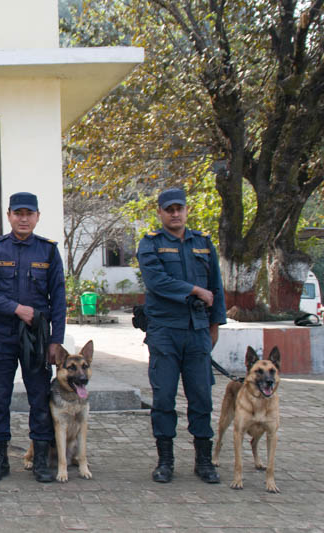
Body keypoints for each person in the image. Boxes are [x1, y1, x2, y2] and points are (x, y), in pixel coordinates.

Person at [136, 187, 226, 484]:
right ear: (160, 212)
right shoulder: (151, 244)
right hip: (164, 331)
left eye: (179, 208)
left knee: (201, 397)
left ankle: (204, 461)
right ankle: (166, 461)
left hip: (197, 331)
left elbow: (216, 287)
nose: (175, 214)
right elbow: (156, 281)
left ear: (186, 210)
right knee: (163, 397)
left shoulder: (203, 243)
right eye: (169, 209)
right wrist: (194, 290)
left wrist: (215, 325)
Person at [0, 192, 66, 483]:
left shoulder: (48, 251)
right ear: (9, 215)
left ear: (37, 216)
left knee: (39, 398)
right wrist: (16, 309)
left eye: (29, 213)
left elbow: (59, 299)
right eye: (18, 213)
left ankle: (41, 460)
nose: (23, 218)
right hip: (1, 335)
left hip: (37, 337)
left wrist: (56, 342)